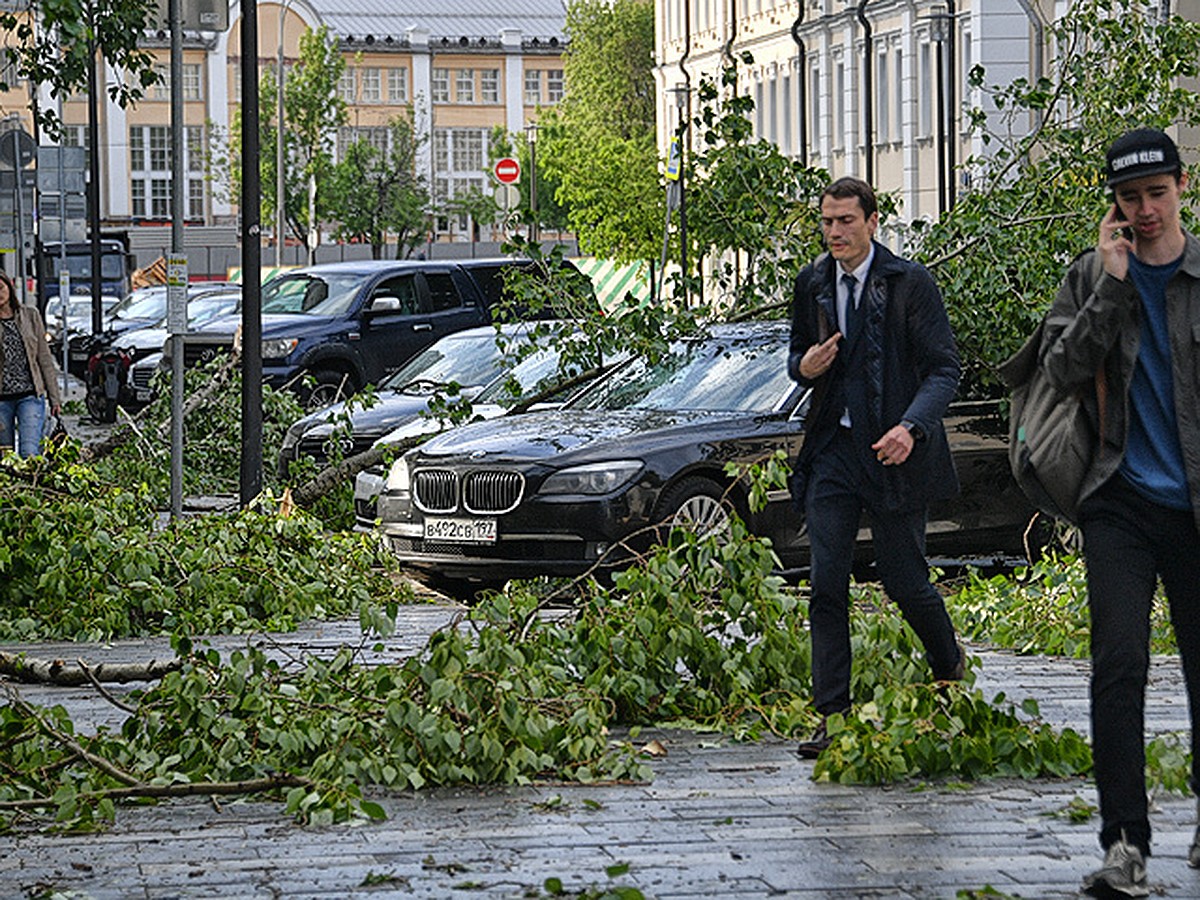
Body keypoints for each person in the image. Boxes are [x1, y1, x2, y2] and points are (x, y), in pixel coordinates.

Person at [1041, 128, 1200, 899]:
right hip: (1120, 503)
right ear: (1114, 205)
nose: (1144, 211)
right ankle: (1125, 843)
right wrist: (1109, 284)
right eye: (1130, 199)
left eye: (1156, 194)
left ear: (1181, 186)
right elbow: (1061, 370)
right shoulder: (1089, 275)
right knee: (1119, 666)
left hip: (1198, 510)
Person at [787, 176, 965, 759]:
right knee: (826, 582)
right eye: (826, 222)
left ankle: (948, 668)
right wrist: (805, 365)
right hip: (834, 453)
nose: (834, 232)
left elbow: (945, 370)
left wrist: (911, 427)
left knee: (903, 578)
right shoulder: (813, 282)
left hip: (895, 451)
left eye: (845, 221)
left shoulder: (910, 284)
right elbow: (797, 360)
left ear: (872, 221)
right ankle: (831, 715)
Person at [0, 271, 62, 456]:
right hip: (1, 399)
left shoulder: (30, 315)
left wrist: (55, 398)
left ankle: (31, 484)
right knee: (5, 456)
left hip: (30, 395)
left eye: (0, 288)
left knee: (29, 452)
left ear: (9, 288)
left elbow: (44, 358)